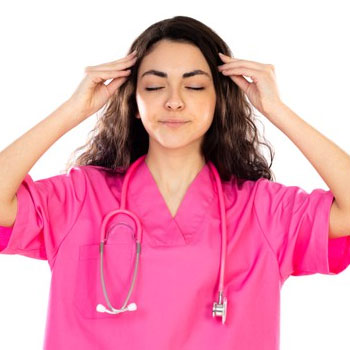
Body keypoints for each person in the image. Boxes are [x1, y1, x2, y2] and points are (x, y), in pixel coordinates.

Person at [0, 15, 349, 350]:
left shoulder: (262, 210)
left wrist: (276, 110)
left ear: (218, 101)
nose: (174, 100)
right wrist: (73, 110)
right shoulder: (80, 198)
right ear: (134, 101)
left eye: (195, 86)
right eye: (154, 86)